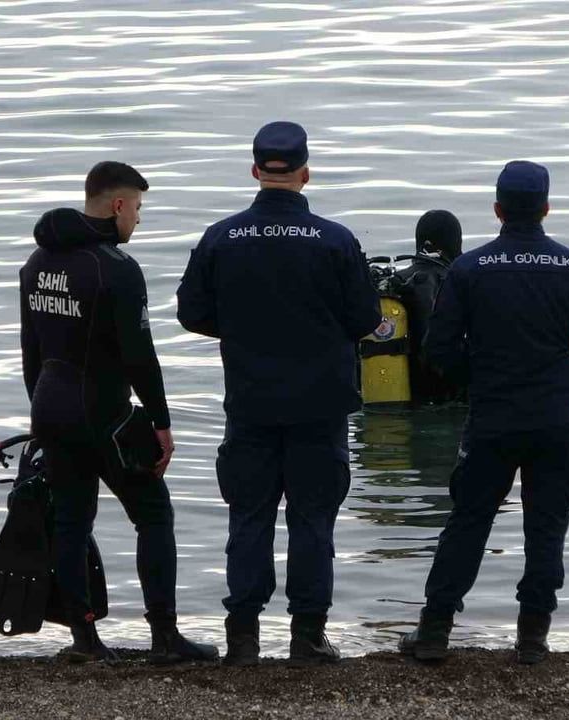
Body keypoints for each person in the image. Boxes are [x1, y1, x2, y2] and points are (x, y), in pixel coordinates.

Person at [399, 160, 569, 664]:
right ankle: (532, 638)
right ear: (546, 208)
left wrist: (475, 378)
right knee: (546, 527)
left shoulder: (469, 269)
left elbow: (437, 347)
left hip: (493, 418)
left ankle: (434, 633)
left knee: (468, 523)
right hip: (555, 416)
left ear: (497, 210)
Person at [176, 121, 382, 667]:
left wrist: (242, 330)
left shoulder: (221, 238)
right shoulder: (336, 240)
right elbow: (366, 318)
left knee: (249, 518)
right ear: (305, 173)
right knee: (313, 520)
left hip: (250, 401)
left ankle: (243, 637)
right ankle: (307, 636)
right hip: (321, 405)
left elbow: (191, 313)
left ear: (255, 171)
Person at [19, 161, 217, 664]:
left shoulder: (36, 263)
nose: (139, 219)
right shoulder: (118, 269)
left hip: (50, 406)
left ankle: (84, 640)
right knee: (153, 515)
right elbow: (139, 356)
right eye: (139, 208)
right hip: (103, 412)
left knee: (71, 520)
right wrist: (161, 422)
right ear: (119, 204)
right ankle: (165, 638)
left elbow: (31, 351)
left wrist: (41, 415)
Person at [392, 210, 465, 404]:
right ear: (456, 243)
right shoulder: (457, 283)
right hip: (445, 399)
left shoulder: (395, 283)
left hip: (392, 393)